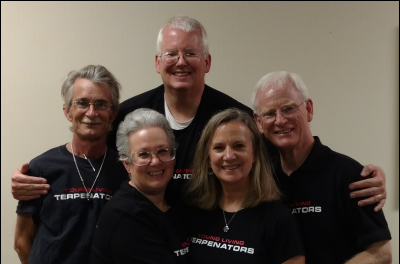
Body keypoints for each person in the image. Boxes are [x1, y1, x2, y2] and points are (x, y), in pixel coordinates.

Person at [11, 15, 387, 208]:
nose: (181, 61)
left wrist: (353, 176)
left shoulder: (236, 117)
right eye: (172, 54)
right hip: (147, 245)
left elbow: (286, 154)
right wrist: (38, 176)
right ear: (157, 62)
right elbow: (87, 146)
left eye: (191, 53)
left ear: (206, 61)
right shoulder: (128, 115)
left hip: (214, 250)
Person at [77, 108, 275, 264]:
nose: (156, 161)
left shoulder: (176, 204)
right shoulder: (125, 215)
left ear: (174, 156)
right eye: (143, 155)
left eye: (163, 151)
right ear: (126, 163)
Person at [251, 71, 392, 264]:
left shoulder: (348, 175)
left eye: (289, 108)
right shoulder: (260, 177)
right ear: (258, 122)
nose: (280, 120)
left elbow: (381, 254)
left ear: (309, 109)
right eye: (269, 113)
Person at [14, 65, 128, 264]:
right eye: (82, 103)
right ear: (68, 111)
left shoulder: (126, 171)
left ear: (113, 113)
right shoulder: (40, 168)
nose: (91, 112)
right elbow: (22, 241)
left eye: (101, 104)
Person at [184, 108, 305, 264]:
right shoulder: (192, 211)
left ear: (255, 154)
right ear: (207, 156)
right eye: (218, 148)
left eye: (239, 146)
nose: (229, 156)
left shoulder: (277, 219)